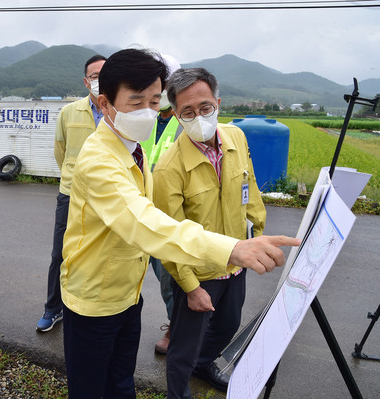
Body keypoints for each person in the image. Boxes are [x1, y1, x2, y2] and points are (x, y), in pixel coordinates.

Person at [59, 48, 299, 399]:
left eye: (154, 101)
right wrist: (231, 248)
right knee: (92, 390)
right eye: (135, 101)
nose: (147, 111)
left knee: (122, 384)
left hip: (127, 294)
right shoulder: (99, 161)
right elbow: (147, 223)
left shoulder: (133, 147)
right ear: (105, 103)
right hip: (93, 301)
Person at [153, 67, 266, 397]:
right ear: (175, 114)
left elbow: (251, 189)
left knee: (227, 326)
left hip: (236, 260)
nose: (198, 116)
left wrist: (256, 236)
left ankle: (204, 364)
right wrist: (189, 287)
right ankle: (179, 391)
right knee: (183, 346)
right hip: (198, 271)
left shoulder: (236, 137)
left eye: (205, 108)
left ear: (217, 102)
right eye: (187, 112)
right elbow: (168, 237)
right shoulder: (169, 168)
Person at [36, 54, 107, 332]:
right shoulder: (69, 112)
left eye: (105, 74)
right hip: (71, 194)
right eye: (94, 75)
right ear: (85, 80)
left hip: (108, 195)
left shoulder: (121, 112)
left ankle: (92, 308)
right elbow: (60, 152)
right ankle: (53, 309)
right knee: (60, 253)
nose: (99, 80)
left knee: (102, 254)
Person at [140, 53, 183, 355]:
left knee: (173, 277)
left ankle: (177, 329)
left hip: (173, 215)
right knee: (153, 273)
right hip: (142, 211)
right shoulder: (142, 119)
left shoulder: (186, 121)